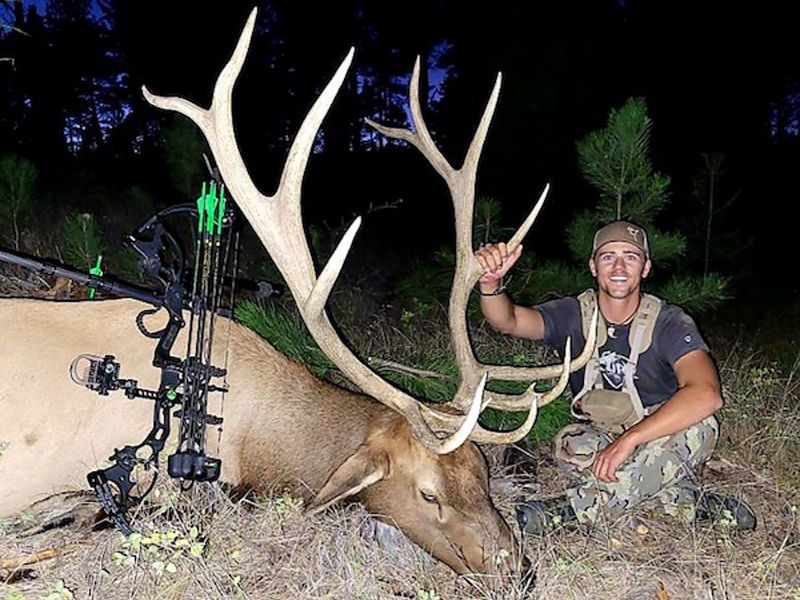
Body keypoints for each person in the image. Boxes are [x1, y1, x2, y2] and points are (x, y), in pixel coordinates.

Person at [475, 220, 755, 534]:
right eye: (608, 257)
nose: (619, 266)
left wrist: (631, 440)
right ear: (593, 266)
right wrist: (490, 284)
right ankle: (681, 502)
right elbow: (508, 321)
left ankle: (572, 512)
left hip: (659, 436)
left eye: (631, 257)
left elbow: (706, 394)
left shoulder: (669, 322)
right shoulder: (572, 313)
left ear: (645, 268)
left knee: (699, 428)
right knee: (569, 444)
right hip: (601, 435)